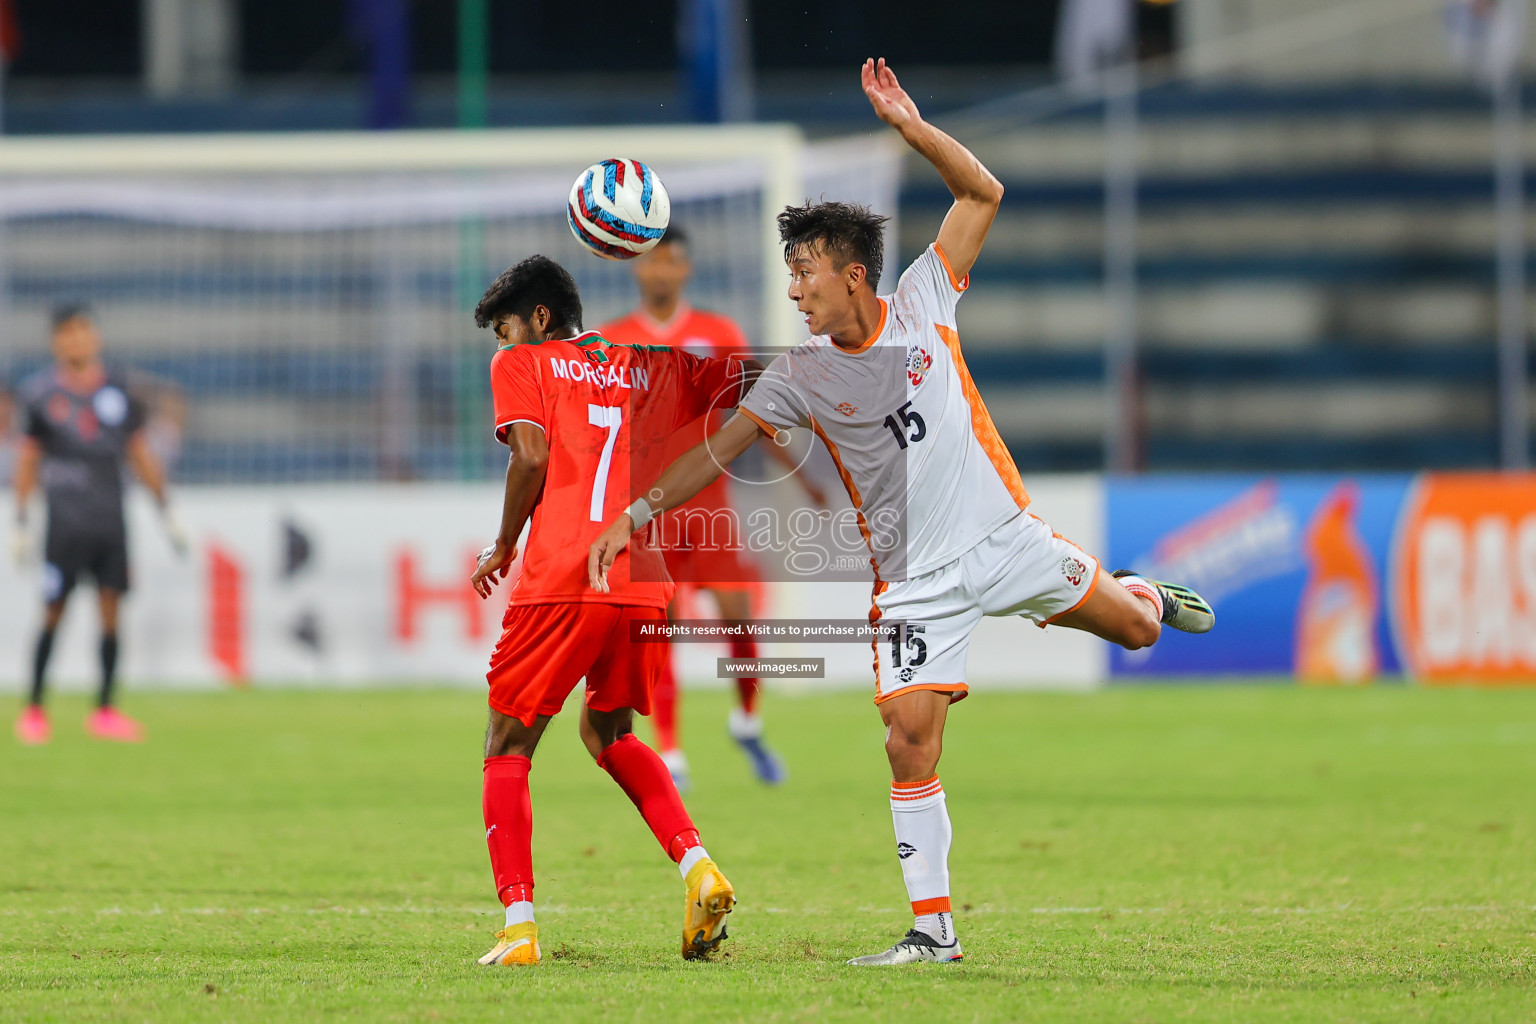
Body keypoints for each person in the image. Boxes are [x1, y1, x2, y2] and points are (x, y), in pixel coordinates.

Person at [589, 58, 1215, 967]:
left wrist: (912, 130)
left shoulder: (926, 296)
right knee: (906, 740)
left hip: (1007, 539)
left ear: (853, 275)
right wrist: (640, 510)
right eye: (790, 275)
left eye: (804, 274)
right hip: (915, 581)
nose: (794, 291)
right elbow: (717, 451)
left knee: (1138, 636)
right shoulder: (798, 374)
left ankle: (1141, 594)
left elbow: (983, 192)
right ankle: (935, 932)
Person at [467, 255, 756, 966]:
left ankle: (520, 928)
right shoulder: (639, 361)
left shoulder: (523, 365)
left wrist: (505, 542)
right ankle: (700, 872)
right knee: (607, 732)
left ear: (539, 319)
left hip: (564, 573)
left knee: (507, 746)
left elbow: (529, 457)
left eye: (506, 331)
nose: (503, 348)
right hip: (643, 577)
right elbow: (742, 402)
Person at [601, 226, 825, 790]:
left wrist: (804, 479)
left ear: (685, 270)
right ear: (636, 269)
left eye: (670, 262)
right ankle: (671, 753)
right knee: (662, 630)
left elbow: (758, 413)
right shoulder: (610, 342)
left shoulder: (717, 334)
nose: (660, 272)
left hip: (709, 506)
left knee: (738, 617)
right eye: (651, 262)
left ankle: (747, 720)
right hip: (648, 509)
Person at [11, 304, 187, 745]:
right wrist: (20, 518)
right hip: (64, 522)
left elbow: (140, 453)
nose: (76, 341)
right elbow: (28, 459)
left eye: (82, 332)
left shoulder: (121, 390)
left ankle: (105, 710)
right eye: (67, 334)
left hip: (110, 520)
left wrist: (166, 510)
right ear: (56, 342)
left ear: (96, 337)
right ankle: (34, 709)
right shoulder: (37, 395)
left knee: (111, 612)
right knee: (54, 610)